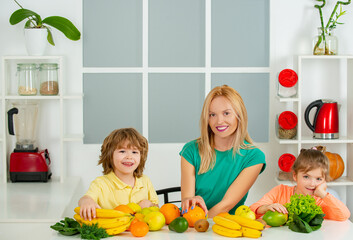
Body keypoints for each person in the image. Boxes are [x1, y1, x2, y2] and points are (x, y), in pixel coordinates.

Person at [180, 85, 266, 218]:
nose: (219, 121)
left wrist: (202, 224)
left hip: (225, 226)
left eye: (226, 113)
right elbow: (188, 201)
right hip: (191, 223)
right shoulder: (190, 150)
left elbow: (226, 205)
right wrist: (194, 215)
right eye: (212, 115)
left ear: (239, 115)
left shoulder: (254, 157)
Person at [78, 128, 159, 220]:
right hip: (112, 233)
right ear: (109, 155)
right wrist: (87, 201)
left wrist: (150, 205)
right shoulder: (100, 183)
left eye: (134, 152)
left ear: (141, 157)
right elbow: (85, 198)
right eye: (122, 151)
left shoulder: (145, 181)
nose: (129, 157)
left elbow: (156, 208)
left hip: (140, 232)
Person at [250, 148, 350, 221]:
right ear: (295, 176)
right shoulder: (280, 191)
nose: (312, 184)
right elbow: (252, 210)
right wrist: (266, 207)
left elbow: (344, 215)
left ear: (324, 181)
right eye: (306, 177)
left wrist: (323, 194)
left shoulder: (320, 201)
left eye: (318, 179)